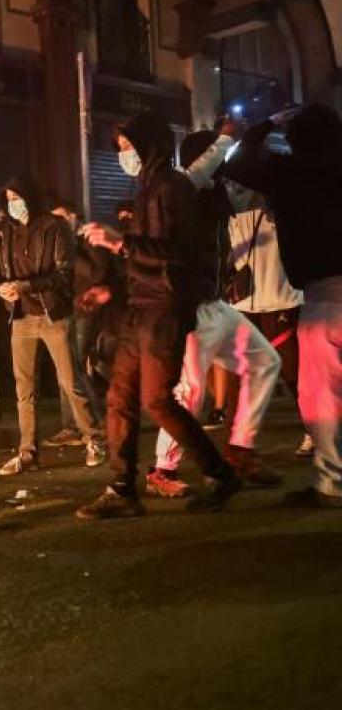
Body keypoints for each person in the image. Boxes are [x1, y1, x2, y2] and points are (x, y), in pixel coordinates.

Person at [76, 111, 242, 519]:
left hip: (165, 311)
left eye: (129, 147)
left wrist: (121, 246)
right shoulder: (148, 187)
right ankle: (121, 488)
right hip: (139, 308)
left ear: (148, 146)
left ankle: (220, 473)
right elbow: (144, 257)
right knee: (120, 398)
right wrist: (111, 289)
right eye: (120, 150)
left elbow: (178, 256)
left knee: (156, 400)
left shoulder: (172, 188)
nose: (124, 156)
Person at [146, 128, 283, 498]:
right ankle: (162, 468)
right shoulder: (179, 194)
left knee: (265, 361)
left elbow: (244, 187)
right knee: (190, 393)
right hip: (190, 308)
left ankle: (240, 447)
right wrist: (228, 139)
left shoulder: (215, 195)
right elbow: (195, 179)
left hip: (216, 305)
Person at [225, 103, 342, 509]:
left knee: (322, 395)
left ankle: (333, 484)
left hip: (324, 296)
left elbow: (237, 162)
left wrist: (267, 124)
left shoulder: (292, 173)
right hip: (323, 293)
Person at [0, 177, 106, 475]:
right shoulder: (2, 231)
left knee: (70, 381)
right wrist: (0, 287)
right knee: (24, 388)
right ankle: (28, 451)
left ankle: (94, 439)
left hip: (54, 315)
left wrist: (26, 286)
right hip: (21, 317)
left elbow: (65, 274)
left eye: (18, 196)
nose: (14, 203)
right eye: (9, 198)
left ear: (30, 197)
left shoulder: (54, 226)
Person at [225, 177, 313, 457]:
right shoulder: (227, 214)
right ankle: (239, 447)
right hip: (243, 306)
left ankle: (315, 431)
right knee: (241, 377)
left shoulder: (283, 211)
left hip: (281, 301)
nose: (238, 191)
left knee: (293, 373)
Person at [45, 200, 110, 448]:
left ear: (74, 217)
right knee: (69, 370)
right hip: (64, 310)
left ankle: (83, 424)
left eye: (61, 219)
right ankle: (79, 423)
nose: (57, 225)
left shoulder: (89, 239)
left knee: (72, 370)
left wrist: (73, 250)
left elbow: (97, 274)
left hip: (86, 311)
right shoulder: (58, 242)